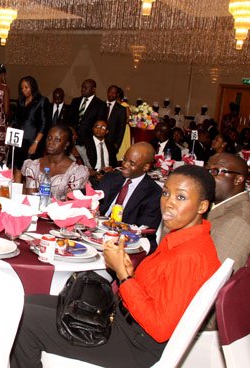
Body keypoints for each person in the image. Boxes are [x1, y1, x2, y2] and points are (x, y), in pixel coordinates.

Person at [11, 165, 220, 368]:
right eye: (166, 193)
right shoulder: (186, 239)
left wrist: (123, 276)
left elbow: (159, 328)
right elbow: (159, 291)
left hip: (133, 343)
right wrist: (130, 274)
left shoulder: (191, 256)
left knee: (24, 321)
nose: (168, 203)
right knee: (24, 303)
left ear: (202, 206)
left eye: (180, 197)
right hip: (123, 320)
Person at [95, 142, 162, 249]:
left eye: (132, 163)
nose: (125, 165)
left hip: (128, 242)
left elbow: (143, 229)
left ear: (146, 167)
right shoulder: (110, 178)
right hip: (97, 233)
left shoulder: (154, 193)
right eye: (124, 159)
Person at [15, 125, 89, 199]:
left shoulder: (76, 171)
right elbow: (31, 197)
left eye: (57, 140)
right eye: (49, 138)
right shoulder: (33, 166)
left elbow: (71, 201)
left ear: (66, 144)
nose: (50, 142)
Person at [206, 153, 250, 272]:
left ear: (237, 180)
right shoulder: (214, 203)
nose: (206, 177)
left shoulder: (238, 222)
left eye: (215, 171)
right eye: (207, 170)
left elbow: (216, 275)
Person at [10, 76, 50, 170]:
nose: (23, 90)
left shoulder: (42, 101)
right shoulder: (21, 101)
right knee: (17, 168)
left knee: (30, 170)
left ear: (33, 87)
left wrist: (35, 143)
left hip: (33, 141)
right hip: (19, 141)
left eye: (26, 87)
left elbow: (44, 125)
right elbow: (15, 119)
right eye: (22, 88)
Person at [66, 79, 106, 145]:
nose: (82, 89)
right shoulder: (75, 101)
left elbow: (99, 124)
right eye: (82, 87)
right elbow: (69, 119)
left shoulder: (100, 104)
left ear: (93, 89)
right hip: (72, 139)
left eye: (85, 87)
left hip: (88, 141)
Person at [105, 85, 127, 154]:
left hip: (111, 143)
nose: (111, 94)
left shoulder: (121, 109)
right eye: (110, 92)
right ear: (107, 92)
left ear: (117, 95)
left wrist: (117, 144)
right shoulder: (100, 105)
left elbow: (122, 129)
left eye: (114, 93)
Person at [116, 87, 132, 161]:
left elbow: (128, 119)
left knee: (122, 146)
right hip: (116, 128)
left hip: (123, 128)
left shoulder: (124, 105)